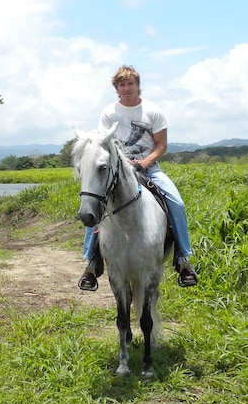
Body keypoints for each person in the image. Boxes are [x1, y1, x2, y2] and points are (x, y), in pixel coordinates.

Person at [78, 64, 199, 291]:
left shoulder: (152, 111)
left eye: (130, 83)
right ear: (116, 88)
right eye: (121, 84)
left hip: (149, 169)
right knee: (94, 204)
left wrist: (145, 162)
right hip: (118, 172)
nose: (126, 88)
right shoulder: (108, 113)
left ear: (137, 85)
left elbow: (161, 145)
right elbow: (103, 145)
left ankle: (183, 260)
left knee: (177, 203)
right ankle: (91, 264)